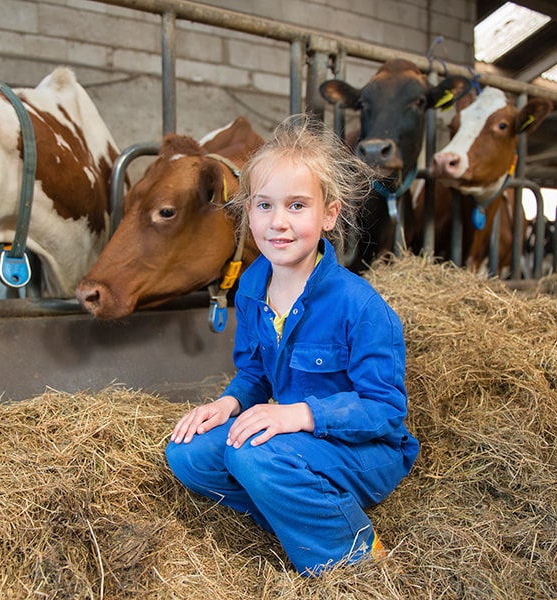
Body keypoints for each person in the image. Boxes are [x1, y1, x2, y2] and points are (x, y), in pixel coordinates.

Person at [165, 113, 419, 576]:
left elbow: (385, 412)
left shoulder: (360, 307)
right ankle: (295, 510)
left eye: (297, 206)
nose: (278, 223)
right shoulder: (251, 286)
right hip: (293, 443)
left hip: (364, 451)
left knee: (254, 453)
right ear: (248, 211)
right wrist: (228, 403)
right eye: (264, 206)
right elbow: (256, 375)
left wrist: (297, 414)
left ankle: (355, 555)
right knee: (188, 453)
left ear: (329, 214)